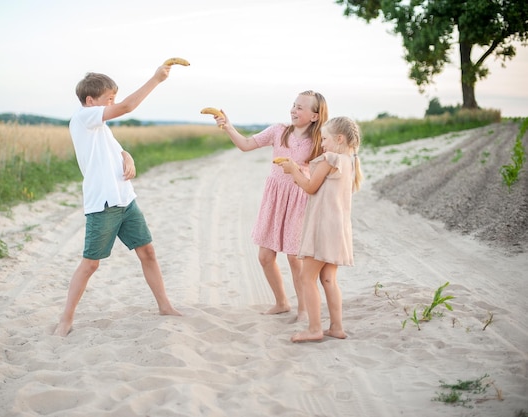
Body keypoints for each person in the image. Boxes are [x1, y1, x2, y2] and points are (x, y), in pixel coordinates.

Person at [54, 66, 182, 337]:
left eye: (113, 99)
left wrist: (127, 155)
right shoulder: (83, 118)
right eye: (108, 99)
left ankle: (165, 306)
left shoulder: (100, 127)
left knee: (147, 252)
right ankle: (65, 319)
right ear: (91, 101)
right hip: (103, 204)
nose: (112, 104)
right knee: (91, 264)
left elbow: (114, 148)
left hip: (126, 200)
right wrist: (156, 79)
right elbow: (127, 107)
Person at [211, 91, 328, 321]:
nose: (294, 110)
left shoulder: (319, 140)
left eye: (301, 108)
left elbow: (328, 169)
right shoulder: (278, 131)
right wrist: (228, 126)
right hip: (274, 198)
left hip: (299, 199)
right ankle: (282, 302)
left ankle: (304, 309)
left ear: (315, 116)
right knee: (265, 256)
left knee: (295, 259)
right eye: (293, 105)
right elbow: (245, 145)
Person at [277, 116, 363, 342]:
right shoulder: (350, 161)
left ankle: (314, 329)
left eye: (325, 139)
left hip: (323, 227)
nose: (322, 144)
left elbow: (310, 187)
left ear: (339, 139)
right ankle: (336, 327)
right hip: (338, 229)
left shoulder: (330, 158)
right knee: (329, 279)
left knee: (307, 277)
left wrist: (293, 170)